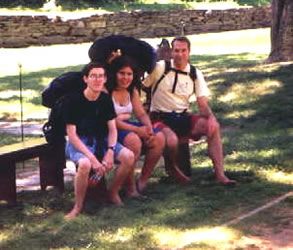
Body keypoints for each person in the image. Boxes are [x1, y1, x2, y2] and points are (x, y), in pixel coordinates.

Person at [143, 36, 236, 185]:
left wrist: (211, 118)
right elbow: (142, 87)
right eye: (176, 51)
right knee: (171, 140)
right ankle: (174, 169)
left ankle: (220, 174)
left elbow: (202, 104)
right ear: (171, 52)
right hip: (160, 117)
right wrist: (143, 107)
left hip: (182, 117)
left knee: (213, 127)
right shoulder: (161, 67)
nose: (180, 54)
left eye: (183, 51)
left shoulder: (194, 73)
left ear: (189, 52)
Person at [106, 56, 190, 195]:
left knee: (159, 138)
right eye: (121, 73)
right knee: (133, 141)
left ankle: (142, 181)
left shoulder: (131, 90)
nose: (125, 78)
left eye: (129, 74)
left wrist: (149, 130)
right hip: (110, 129)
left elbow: (141, 114)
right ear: (114, 73)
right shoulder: (106, 91)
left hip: (127, 125)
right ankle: (130, 187)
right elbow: (110, 120)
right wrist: (138, 130)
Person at [63, 62, 134, 219]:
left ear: (105, 79)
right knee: (85, 164)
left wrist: (110, 151)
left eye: (101, 76)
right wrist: (93, 158)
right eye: (93, 76)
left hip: (101, 139)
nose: (97, 79)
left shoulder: (105, 100)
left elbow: (113, 129)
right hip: (80, 142)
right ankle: (78, 206)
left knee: (128, 156)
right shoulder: (73, 101)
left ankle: (113, 192)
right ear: (85, 79)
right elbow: (72, 135)